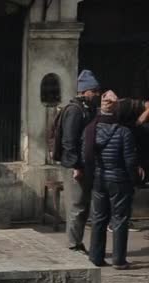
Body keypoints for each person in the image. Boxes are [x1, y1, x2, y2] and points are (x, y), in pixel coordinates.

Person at [82, 91, 140, 269]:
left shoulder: (90, 129)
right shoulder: (124, 132)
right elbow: (130, 161)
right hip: (119, 181)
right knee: (120, 219)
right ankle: (119, 260)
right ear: (116, 111)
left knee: (98, 218)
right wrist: (135, 179)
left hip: (99, 179)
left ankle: (96, 257)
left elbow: (85, 155)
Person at [61, 70, 102, 253]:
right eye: (94, 91)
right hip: (75, 166)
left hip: (85, 165)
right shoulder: (75, 111)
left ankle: (77, 242)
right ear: (85, 91)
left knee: (84, 206)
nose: (97, 94)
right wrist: (76, 166)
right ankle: (73, 244)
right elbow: (69, 141)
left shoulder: (87, 109)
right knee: (76, 206)